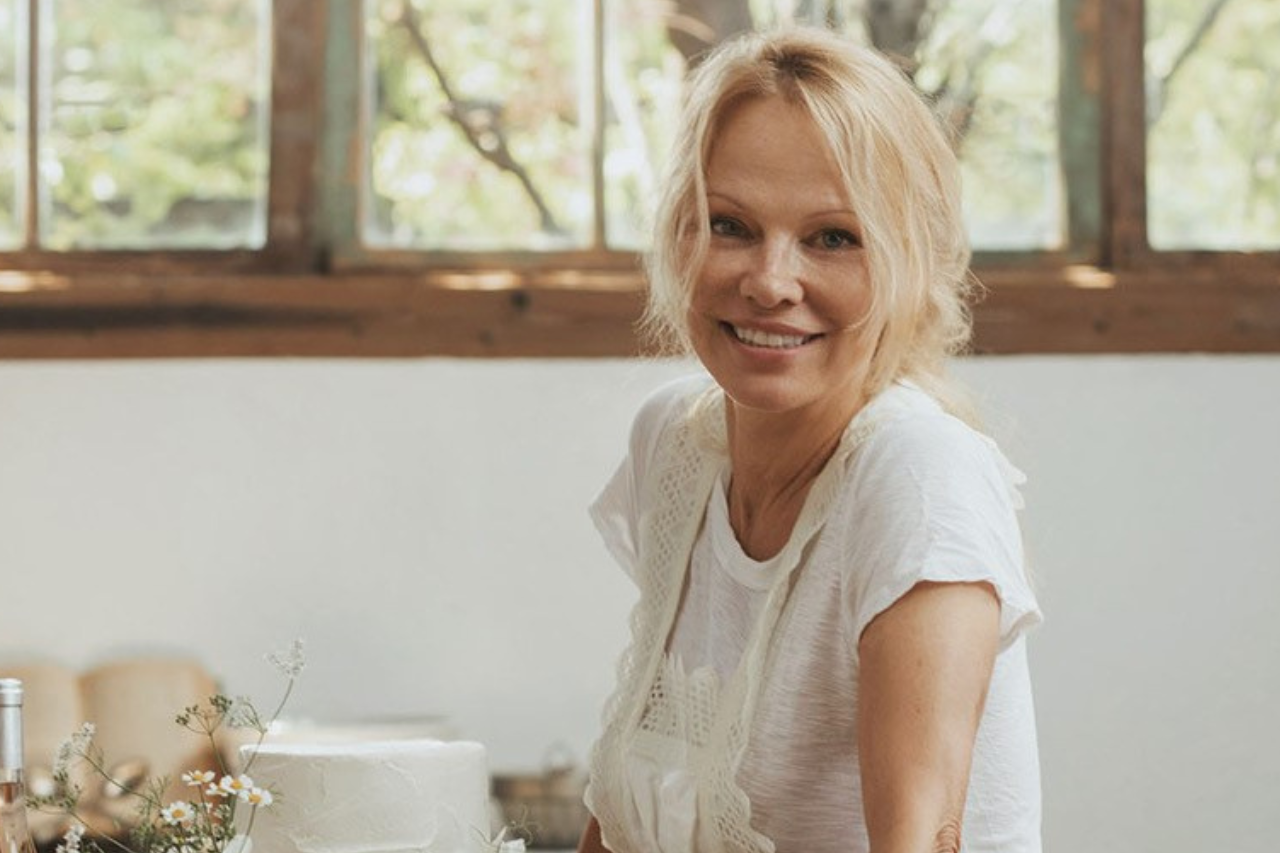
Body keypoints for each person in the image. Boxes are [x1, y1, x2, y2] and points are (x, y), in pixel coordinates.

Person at [577, 25, 1042, 853]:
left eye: (833, 237)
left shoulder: (917, 479)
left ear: (910, 259)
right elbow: (624, 814)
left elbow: (920, 840)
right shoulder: (675, 445)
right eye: (729, 224)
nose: (769, 281)